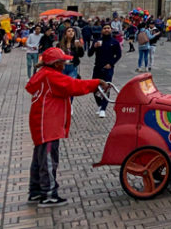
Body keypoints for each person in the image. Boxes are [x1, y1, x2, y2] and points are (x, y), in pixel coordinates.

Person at [26, 47, 111, 206]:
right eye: (62, 62)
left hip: (43, 121)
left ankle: (36, 191)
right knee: (49, 159)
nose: (65, 64)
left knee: (40, 158)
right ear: (56, 64)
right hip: (48, 123)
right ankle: (49, 194)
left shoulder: (44, 73)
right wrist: (96, 82)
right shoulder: (51, 76)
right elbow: (74, 86)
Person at [88, 24, 121, 118]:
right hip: (98, 67)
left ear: (111, 30)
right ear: (102, 30)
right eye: (105, 28)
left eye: (108, 28)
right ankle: (99, 105)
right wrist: (94, 46)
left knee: (106, 87)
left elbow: (118, 55)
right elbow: (89, 54)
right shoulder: (97, 41)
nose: (107, 30)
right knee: (94, 87)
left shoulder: (114, 42)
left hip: (108, 68)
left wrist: (111, 64)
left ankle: (103, 108)